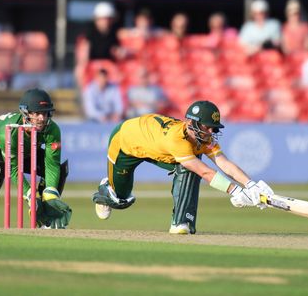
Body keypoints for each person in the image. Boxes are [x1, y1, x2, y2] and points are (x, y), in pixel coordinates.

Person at [92, 100, 273, 234]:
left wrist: (250, 185)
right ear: (192, 123)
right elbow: (205, 172)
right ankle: (105, 191)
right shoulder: (176, 139)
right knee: (121, 200)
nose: (211, 133)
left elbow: (223, 162)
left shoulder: (202, 138)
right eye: (208, 127)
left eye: (214, 129)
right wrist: (235, 191)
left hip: (159, 149)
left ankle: (181, 222)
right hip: (126, 142)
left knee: (190, 165)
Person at [0, 88, 72, 229]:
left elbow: (51, 165)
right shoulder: (12, 131)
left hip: (26, 150)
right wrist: (29, 193)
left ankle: (46, 217)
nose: (42, 118)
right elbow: (12, 169)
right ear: (25, 113)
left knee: (60, 171)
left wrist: (50, 193)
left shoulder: (52, 130)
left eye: (44, 113)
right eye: (37, 113)